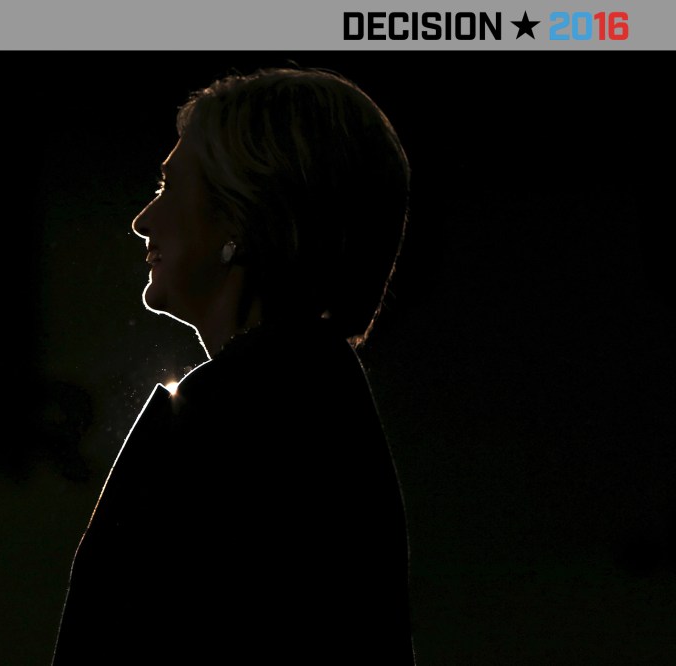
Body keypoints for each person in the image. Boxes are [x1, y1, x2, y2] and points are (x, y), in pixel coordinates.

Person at [53, 67, 414, 664]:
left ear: (242, 217)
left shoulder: (229, 416)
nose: (143, 220)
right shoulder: (318, 398)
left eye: (169, 187)